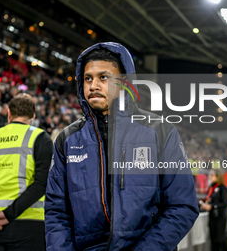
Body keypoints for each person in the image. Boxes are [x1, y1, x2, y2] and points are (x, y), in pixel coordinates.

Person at [45, 42, 199, 251]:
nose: (93, 86)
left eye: (104, 77)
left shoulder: (160, 132)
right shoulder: (67, 139)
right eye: (88, 78)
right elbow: (56, 212)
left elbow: (182, 206)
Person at [0, 93, 53, 251]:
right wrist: (8, 214)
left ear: (9, 114)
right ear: (32, 116)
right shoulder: (40, 138)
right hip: (29, 225)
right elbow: (42, 183)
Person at [200, 169, 227, 251]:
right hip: (212, 217)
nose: (210, 177)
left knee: (220, 239)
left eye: (212, 175)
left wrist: (212, 206)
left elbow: (225, 203)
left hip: (220, 217)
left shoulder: (222, 188)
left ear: (218, 176)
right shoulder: (211, 188)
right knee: (213, 240)